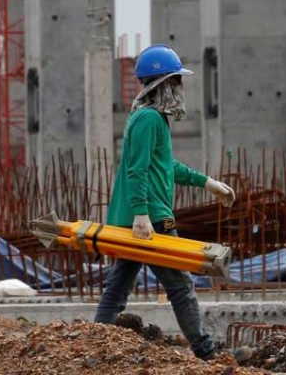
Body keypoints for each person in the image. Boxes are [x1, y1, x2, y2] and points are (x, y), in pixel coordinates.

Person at [94, 44, 235, 361]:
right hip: (152, 219)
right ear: (163, 83)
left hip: (135, 217)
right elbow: (138, 169)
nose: (180, 88)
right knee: (181, 286)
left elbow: (166, 166)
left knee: (117, 287)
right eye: (177, 80)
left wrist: (208, 183)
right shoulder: (148, 119)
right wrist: (142, 214)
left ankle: (95, 345)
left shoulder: (150, 118)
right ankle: (205, 352)